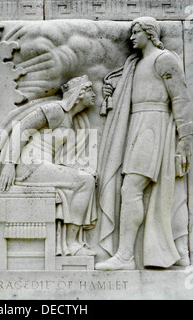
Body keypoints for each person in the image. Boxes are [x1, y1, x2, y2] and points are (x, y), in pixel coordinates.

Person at [96, 17, 193, 270]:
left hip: (154, 125)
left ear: (150, 33)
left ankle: (126, 255)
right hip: (137, 125)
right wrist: (112, 95)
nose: (131, 37)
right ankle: (132, 253)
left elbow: (181, 100)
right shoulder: (135, 64)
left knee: (131, 189)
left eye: (136, 31)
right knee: (131, 189)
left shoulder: (164, 59)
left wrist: (185, 141)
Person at [0, 75, 97, 257]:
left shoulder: (70, 119)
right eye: (90, 90)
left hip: (42, 166)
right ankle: (72, 243)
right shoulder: (56, 110)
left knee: (87, 177)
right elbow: (20, 129)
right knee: (85, 182)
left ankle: (74, 240)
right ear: (79, 94)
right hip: (30, 167)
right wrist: (9, 164)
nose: (94, 95)